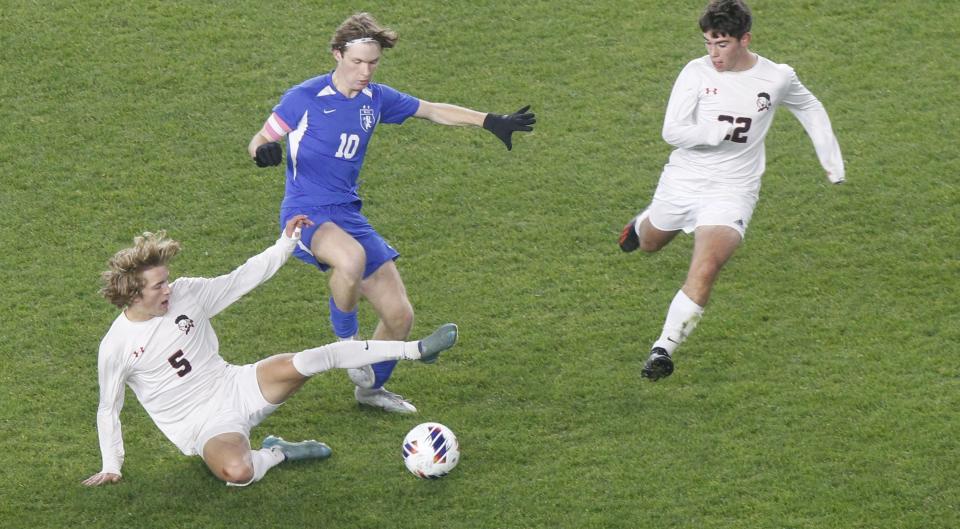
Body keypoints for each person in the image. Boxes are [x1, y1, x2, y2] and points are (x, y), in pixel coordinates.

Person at [247, 12, 534, 413]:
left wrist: (489, 121)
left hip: (348, 213)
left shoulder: (375, 99)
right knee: (351, 259)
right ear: (336, 55)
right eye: (357, 62)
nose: (365, 71)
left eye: (373, 63)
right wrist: (264, 152)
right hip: (306, 211)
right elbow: (260, 138)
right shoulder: (305, 98)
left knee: (400, 317)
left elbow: (431, 109)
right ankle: (347, 345)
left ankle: (370, 389)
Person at [83, 216, 459, 487]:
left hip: (238, 384)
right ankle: (278, 453)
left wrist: (285, 244)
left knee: (311, 359)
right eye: (159, 286)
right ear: (134, 294)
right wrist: (111, 465)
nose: (169, 289)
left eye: (167, 281)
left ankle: (416, 349)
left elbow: (241, 279)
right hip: (201, 425)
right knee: (238, 472)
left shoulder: (187, 293)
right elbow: (108, 408)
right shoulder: (117, 346)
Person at [618, 0, 844, 381]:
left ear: (745, 39)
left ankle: (663, 348)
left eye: (721, 44)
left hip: (733, 189)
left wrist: (832, 162)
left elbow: (810, 108)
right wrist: (714, 133)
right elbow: (671, 132)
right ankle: (642, 224)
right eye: (708, 43)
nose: (713, 53)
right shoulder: (695, 73)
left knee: (706, 267)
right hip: (685, 180)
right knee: (652, 243)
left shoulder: (776, 77)